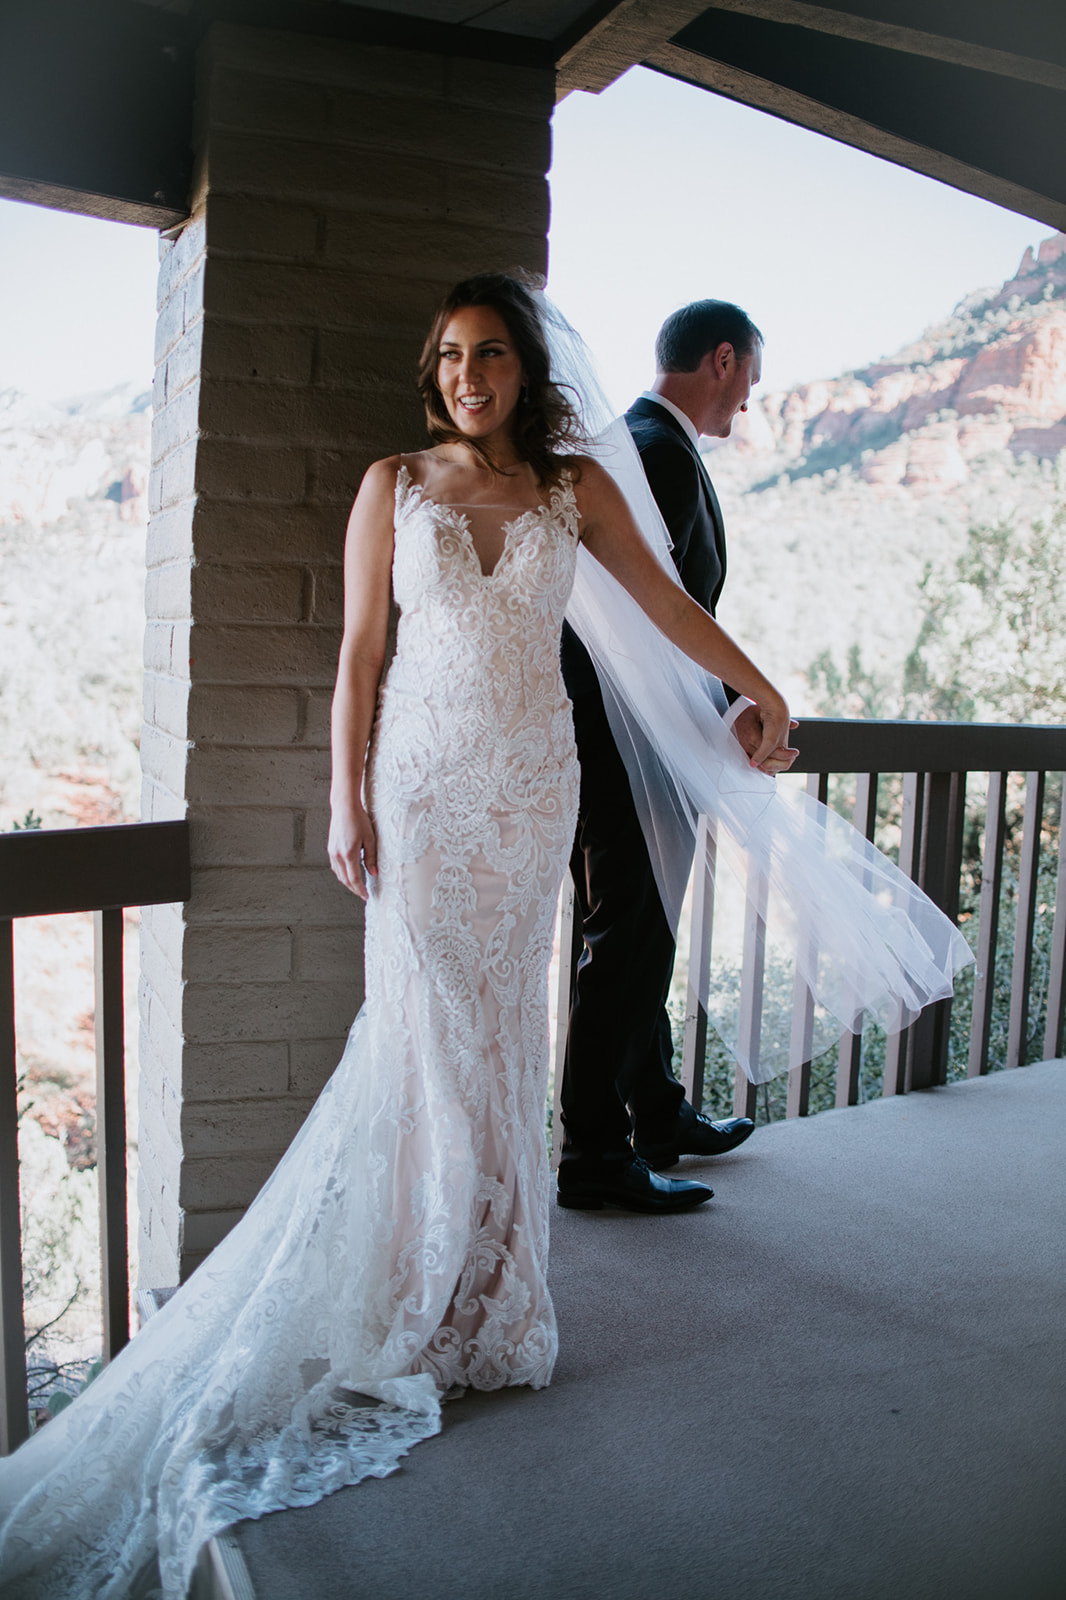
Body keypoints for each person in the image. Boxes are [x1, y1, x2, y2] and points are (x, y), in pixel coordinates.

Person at [0, 275, 967, 1600]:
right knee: (424, 1039)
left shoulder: (574, 491)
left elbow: (665, 605)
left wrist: (759, 680)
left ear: (521, 369)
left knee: (507, 1036)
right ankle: (413, 1291)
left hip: (528, 789)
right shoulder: (392, 487)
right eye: (451, 355)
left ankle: (495, 1309)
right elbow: (357, 655)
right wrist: (342, 797)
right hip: (422, 787)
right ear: (432, 372)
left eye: (492, 352)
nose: (471, 373)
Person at [559, 300, 796, 1214]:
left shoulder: (639, 442)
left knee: (636, 935)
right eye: (751, 382)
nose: (747, 404)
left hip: (641, 734)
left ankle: (656, 1115)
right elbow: (640, 618)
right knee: (627, 939)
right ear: (725, 361)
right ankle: (593, 1156)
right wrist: (740, 699)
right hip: (627, 741)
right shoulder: (653, 451)